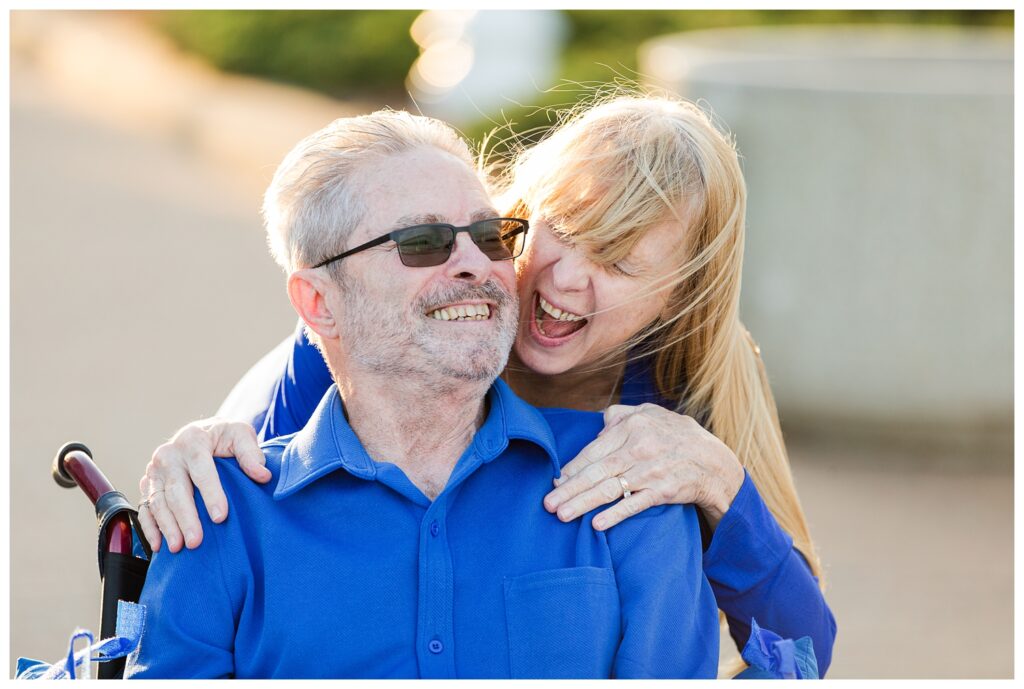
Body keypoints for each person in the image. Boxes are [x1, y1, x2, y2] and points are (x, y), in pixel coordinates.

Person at [137, 92, 836, 674]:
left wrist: (719, 481)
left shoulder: (690, 383)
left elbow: (803, 650)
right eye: (561, 228)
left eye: (620, 264)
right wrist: (197, 449)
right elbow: (264, 499)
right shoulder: (415, 305)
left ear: (678, 296)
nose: (564, 278)